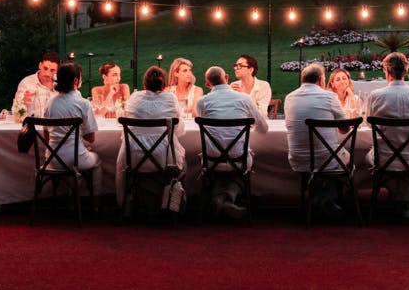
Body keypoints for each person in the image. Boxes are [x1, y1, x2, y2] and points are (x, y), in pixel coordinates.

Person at [365, 51, 409, 218]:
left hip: (383, 159)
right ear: (406, 70)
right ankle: (407, 198)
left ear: (386, 71)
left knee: (367, 157)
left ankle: (400, 197)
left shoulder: (375, 96)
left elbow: (368, 123)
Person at [196, 65, 269, 219]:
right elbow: (263, 128)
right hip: (239, 159)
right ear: (227, 78)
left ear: (208, 84)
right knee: (239, 165)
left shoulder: (202, 102)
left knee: (222, 166)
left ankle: (220, 199)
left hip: (211, 160)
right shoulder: (244, 98)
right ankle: (225, 200)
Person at [284, 63, 350, 215]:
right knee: (343, 157)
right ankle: (336, 198)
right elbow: (345, 129)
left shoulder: (289, 98)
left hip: (298, 160)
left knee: (322, 160)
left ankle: (320, 198)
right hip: (327, 160)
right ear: (321, 80)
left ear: (302, 80)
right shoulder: (330, 97)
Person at [115, 66, 185, 207]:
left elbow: (123, 118)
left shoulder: (135, 97)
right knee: (183, 165)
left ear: (144, 84)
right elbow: (178, 130)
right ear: (164, 85)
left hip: (133, 158)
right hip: (164, 159)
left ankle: (125, 205)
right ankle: (173, 205)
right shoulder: (170, 98)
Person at [42, 62, 102, 199]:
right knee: (97, 160)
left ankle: (71, 199)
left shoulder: (50, 103)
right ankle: (95, 201)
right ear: (76, 80)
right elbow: (91, 139)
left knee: (77, 156)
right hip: (76, 159)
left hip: (52, 159)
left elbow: (46, 136)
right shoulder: (83, 104)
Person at [11, 51, 59, 117]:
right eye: (45, 68)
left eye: (52, 70)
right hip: (32, 126)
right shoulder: (26, 83)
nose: (47, 73)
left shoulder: (60, 86)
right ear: (40, 65)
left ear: (57, 71)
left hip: (54, 126)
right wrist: (22, 103)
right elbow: (16, 114)